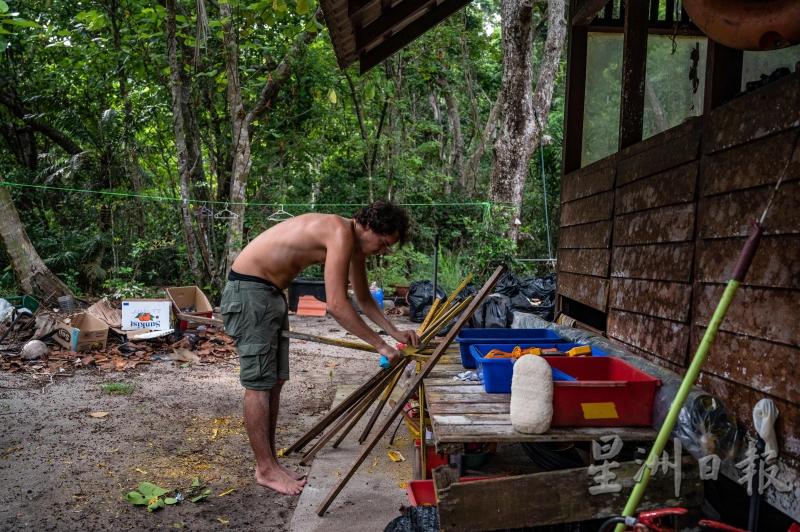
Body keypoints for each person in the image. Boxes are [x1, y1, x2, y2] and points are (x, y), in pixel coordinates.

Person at [220, 200, 420, 495]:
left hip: (269, 293)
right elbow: (337, 305)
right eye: (383, 242)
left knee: (274, 381)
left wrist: (395, 332)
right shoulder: (339, 232)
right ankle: (265, 468)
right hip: (249, 291)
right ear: (367, 226)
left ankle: (270, 463)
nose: (383, 251)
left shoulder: (352, 241)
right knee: (259, 384)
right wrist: (380, 346)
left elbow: (363, 299)